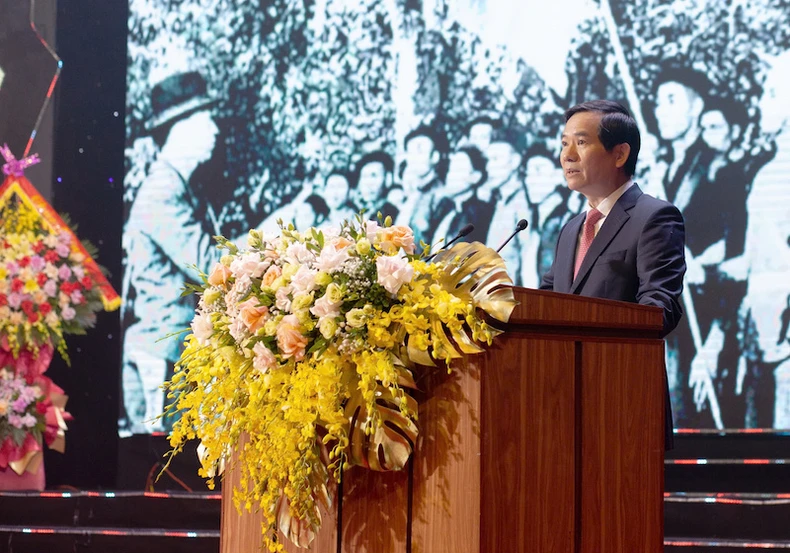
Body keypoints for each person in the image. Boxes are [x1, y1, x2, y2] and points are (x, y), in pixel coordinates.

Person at [539, 100, 687, 448]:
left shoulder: (654, 217)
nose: (567, 156)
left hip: (623, 403)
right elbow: (545, 304)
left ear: (620, 154)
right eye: (563, 144)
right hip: (560, 405)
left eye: (581, 142)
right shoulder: (571, 229)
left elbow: (659, 309)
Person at [123, 71, 225, 432]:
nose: (215, 128)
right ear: (180, 129)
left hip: (169, 353)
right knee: (156, 472)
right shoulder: (161, 193)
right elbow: (209, 266)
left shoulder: (178, 187)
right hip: (161, 358)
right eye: (205, 119)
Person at [395, 125, 446, 242]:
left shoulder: (440, 196)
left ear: (435, 157)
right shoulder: (412, 196)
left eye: (419, 151)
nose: (413, 157)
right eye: (409, 152)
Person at [352, 150, 399, 220]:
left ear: (388, 179)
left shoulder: (392, 214)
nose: (368, 183)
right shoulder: (357, 214)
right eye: (364, 176)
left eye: (374, 176)